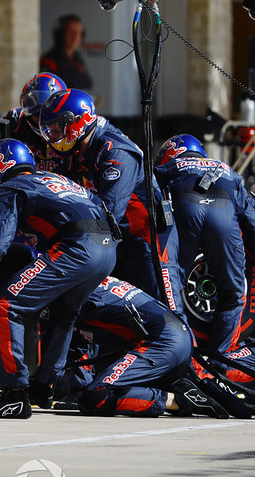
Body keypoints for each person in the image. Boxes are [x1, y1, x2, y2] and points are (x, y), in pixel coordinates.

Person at [0, 139, 117, 419]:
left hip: (77, 247)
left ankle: (14, 394)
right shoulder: (55, 179)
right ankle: (43, 387)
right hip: (107, 248)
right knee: (64, 316)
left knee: (7, 306)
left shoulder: (10, 188)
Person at [39, 88, 186, 321]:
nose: (52, 135)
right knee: (114, 314)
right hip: (118, 239)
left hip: (149, 238)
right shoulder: (80, 148)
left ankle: (191, 358)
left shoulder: (114, 151)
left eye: (56, 129)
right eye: (49, 129)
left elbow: (110, 211)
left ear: (77, 122)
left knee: (168, 316)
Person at [67, 276, 227, 418]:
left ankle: (181, 400)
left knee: (96, 397)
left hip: (163, 343)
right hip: (177, 337)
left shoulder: (77, 292)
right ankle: (178, 387)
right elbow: (77, 342)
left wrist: (46, 380)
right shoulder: (93, 276)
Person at [155, 134, 255, 356]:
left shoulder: (169, 167)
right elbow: (250, 218)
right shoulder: (227, 170)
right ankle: (222, 361)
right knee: (233, 294)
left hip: (185, 212)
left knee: (172, 290)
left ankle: (184, 357)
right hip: (224, 217)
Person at [4, 72, 67, 173]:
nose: (41, 122)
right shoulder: (15, 121)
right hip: (24, 185)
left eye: (47, 116)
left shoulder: (72, 126)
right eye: (36, 115)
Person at [39, 14, 92, 91]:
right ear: (60, 34)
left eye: (79, 33)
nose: (76, 37)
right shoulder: (49, 61)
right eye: (71, 32)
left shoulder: (76, 59)